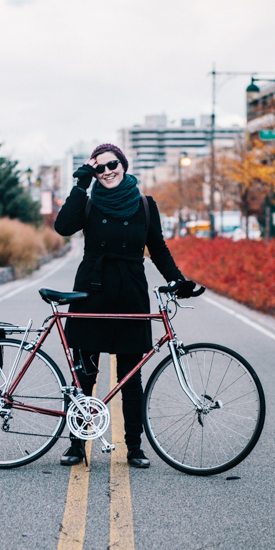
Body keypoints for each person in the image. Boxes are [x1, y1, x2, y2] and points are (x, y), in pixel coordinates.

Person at [54, 143, 196, 468]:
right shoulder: (88, 204)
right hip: (91, 292)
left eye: (112, 164)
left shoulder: (145, 206)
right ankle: (77, 444)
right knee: (84, 375)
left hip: (131, 292)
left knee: (131, 377)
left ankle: (135, 447)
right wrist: (80, 183)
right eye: (99, 168)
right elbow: (63, 227)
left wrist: (177, 279)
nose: (107, 172)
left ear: (124, 164)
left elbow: (157, 248)